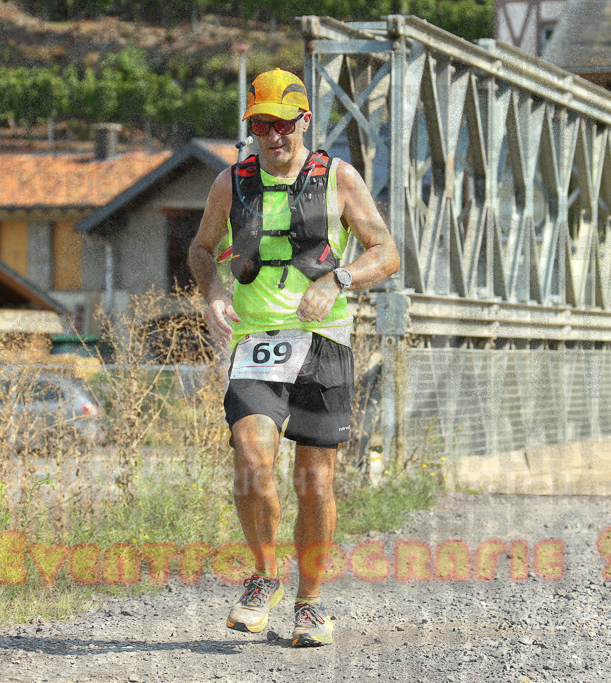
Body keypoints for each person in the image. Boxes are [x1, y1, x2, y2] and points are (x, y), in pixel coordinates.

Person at [188, 68, 400, 647]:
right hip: (256, 339)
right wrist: (211, 293)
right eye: (261, 125)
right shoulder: (231, 182)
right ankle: (263, 576)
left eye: (282, 125)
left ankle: (310, 603)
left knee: (314, 481)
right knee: (252, 458)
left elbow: (386, 252)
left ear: (304, 121)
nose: (272, 136)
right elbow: (202, 248)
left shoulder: (339, 177)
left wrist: (341, 278)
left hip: (325, 341)